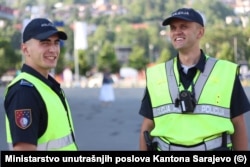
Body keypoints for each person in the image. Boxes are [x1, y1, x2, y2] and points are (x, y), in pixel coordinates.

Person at [139, 8, 250, 151]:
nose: (177, 31)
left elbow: (238, 124)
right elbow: (146, 127)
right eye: (173, 28)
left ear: (200, 32)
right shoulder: (157, 75)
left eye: (184, 26)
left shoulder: (225, 72)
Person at [4, 18, 78, 151]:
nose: (53, 49)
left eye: (56, 43)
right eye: (45, 43)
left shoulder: (47, 86)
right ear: (25, 49)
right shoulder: (24, 92)